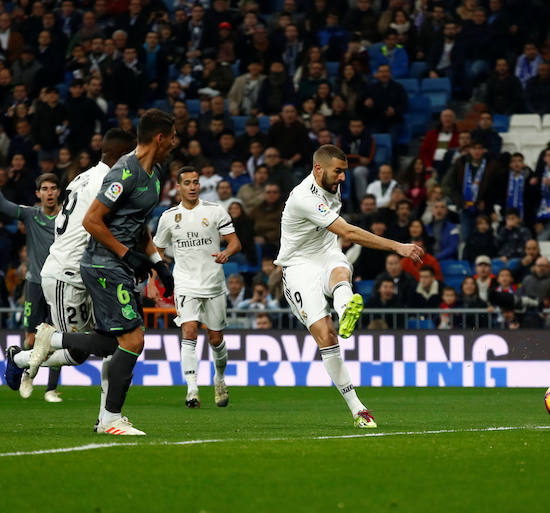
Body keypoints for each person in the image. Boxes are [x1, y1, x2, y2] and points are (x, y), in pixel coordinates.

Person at [27, 109, 177, 436]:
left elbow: (138, 225)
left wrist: (157, 264)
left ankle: (53, 340)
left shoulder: (155, 173)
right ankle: (110, 419)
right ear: (160, 138)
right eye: (173, 136)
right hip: (103, 264)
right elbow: (91, 220)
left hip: (120, 264)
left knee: (112, 343)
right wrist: (128, 255)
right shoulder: (124, 173)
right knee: (133, 339)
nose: (175, 144)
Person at [275, 145, 423, 429]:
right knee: (327, 338)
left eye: (344, 171)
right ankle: (356, 407)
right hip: (298, 266)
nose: (343, 177)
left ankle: (345, 311)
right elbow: (348, 232)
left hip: (327, 254)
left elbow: (340, 235)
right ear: (318, 169)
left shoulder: (332, 184)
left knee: (341, 271)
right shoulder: (304, 197)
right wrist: (397, 246)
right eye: (338, 171)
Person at [6, 130, 134, 411]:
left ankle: (107, 416)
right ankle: (23, 356)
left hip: (87, 271)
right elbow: (99, 225)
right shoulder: (108, 181)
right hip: (68, 273)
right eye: (130, 155)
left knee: (105, 341)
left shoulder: (83, 176)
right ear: (120, 156)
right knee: (80, 351)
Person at [153, 167, 242, 408]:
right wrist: (156, 277)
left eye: (195, 182)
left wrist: (225, 253)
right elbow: (157, 250)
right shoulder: (169, 217)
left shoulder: (214, 211)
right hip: (185, 282)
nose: (192, 187)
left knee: (215, 339)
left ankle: (220, 378)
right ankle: (192, 390)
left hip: (213, 283)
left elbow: (235, 242)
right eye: (188, 183)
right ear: (178, 187)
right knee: (189, 330)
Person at [0, 173, 62, 401]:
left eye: (53, 188)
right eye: (45, 188)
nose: (49, 192)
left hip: (60, 285)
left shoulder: (67, 217)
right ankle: (28, 373)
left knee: (59, 336)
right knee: (32, 339)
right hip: (35, 283)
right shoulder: (30, 214)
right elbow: (3, 206)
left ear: (59, 192)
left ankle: (51, 389)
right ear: (38, 194)